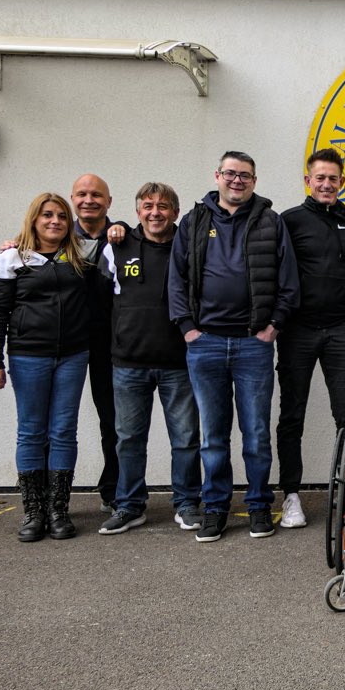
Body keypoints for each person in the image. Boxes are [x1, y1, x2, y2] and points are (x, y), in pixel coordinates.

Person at [168, 150, 299, 543]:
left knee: (257, 433)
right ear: (218, 176)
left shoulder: (271, 223)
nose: (237, 181)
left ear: (254, 181)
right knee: (213, 435)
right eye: (230, 174)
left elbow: (289, 282)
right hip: (204, 343)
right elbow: (176, 279)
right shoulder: (193, 222)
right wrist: (188, 328)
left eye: (245, 175)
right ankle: (216, 509)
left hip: (252, 344)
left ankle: (259, 506)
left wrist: (273, 326)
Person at [96, 183, 202, 535]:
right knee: (128, 438)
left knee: (185, 438)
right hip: (128, 363)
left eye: (163, 206)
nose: (155, 212)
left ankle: (187, 503)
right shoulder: (117, 244)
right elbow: (97, 297)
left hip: (179, 362)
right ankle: (129, 506)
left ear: (175, 210)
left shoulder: (187, 247)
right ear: (137, 210)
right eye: (147, 205)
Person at [0, 193, 90, 541]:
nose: (55, 221)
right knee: (31, 431)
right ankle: (34, 513)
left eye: (62, 216)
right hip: (28, 356)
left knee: (63, 431)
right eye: (47, 215)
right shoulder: (12, 258)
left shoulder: (79, 257)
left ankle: (59, 511)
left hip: (73, 356)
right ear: (34, 219)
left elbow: (107, 239)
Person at [276, 148, 345, 529]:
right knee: (291, 414)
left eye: (333, 179)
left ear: (342, 182)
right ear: (308, 181)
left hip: (341, 330)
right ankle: (292, 495)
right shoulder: (289, 221)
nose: (327, 184)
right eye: (320, 178)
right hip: (298, 331)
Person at [70, 173, 120, 512]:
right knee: (57, 422)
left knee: (112, 421)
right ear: (73, 199)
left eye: (97, 195)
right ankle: (47, 496)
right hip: (65, 342)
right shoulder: (56, 237)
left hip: (109, 344)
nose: (89, 200)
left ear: (108, 202)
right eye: (82, 194)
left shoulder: (123, 237)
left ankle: (113, 490)